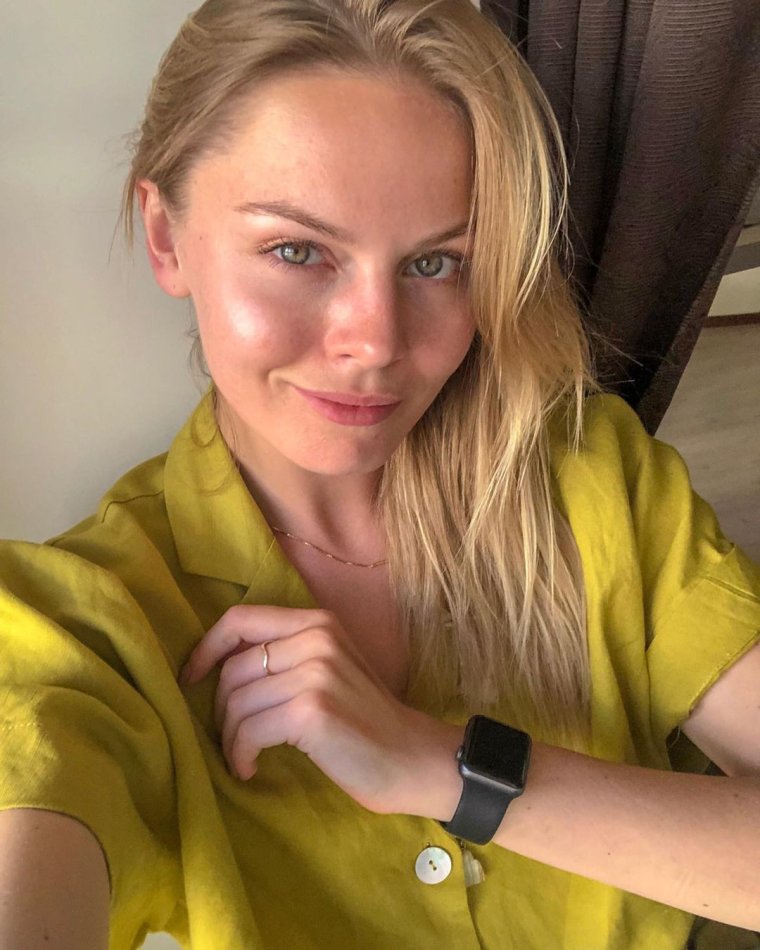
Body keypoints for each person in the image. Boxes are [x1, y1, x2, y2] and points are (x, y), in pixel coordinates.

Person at [1, 0, 758, 947]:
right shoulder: (91, 620)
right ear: (165, 236)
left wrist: (445, 769)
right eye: (297, 251)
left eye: (437, 263)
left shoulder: (595, 481)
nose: (376, 342)